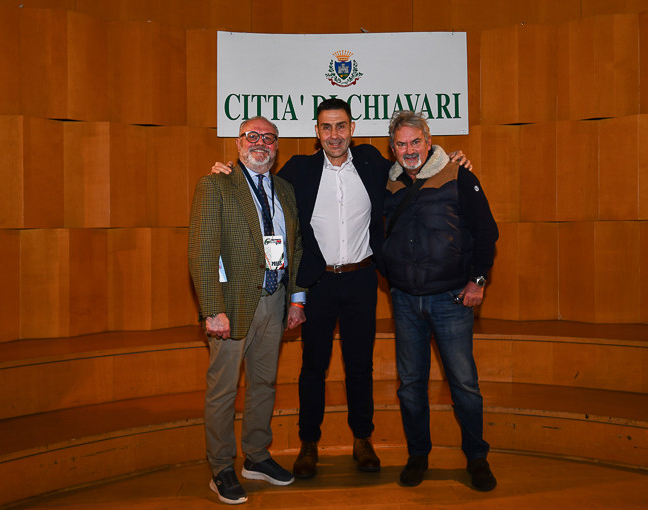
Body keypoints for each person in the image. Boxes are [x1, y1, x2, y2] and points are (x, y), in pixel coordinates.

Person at [211, 99, 471, 480]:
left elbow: (416, 164)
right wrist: (228, 171)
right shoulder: (298, 170)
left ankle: (363, 439)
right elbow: (258, 179)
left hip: (361, 280)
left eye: (341, 126)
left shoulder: (372, 163)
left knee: (360, 366)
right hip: (318, 284)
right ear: (316, 133)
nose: (334, 135)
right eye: (326, 127)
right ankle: (308, 443)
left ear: (352, 128)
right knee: (313, 368)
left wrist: (453, 161)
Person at [189, 116, 306, 505]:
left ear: (277, 146)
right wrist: (212, 309)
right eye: (251, 136)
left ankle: (256, 456)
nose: (260, 143)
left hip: (275, 301)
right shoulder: (215, 185)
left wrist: (296, 299)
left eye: (268, 138)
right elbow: (202, 251)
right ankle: (221, 466)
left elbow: (296, 247)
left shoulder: (285, 190)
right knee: (223, 389)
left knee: (264, 384)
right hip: (232, 305)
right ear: (238, 143)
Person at [381, 110, 499, 491]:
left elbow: (486, 232)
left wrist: (477, 281)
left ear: (428, 141)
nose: (409, 150)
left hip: (451, 300)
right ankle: (418, 456)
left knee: (464, 384)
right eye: (401, 144)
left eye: (416, 141)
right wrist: (391, 275)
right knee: (410, 386)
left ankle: (477, 458)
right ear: (393, 149)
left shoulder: (458, 175)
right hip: (404, 302)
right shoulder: (388, 183)